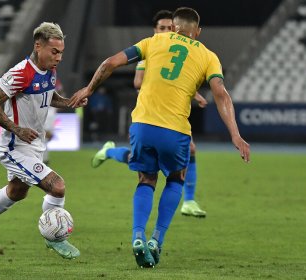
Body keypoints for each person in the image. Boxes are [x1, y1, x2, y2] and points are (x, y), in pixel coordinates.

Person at [69, 7, 250, 268]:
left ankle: (137, 236)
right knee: (176, 178)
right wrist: (235, 133)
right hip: (175, 129)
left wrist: (88, 88)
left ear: (174, 28)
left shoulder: (152, 41)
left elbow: (110, 62)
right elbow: (221, 94)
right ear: (197, 32)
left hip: (142, 125)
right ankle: (156, 239)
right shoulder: (209, 56)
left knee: (146, 179)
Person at [0, 22, 87, 259]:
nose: (59, 58)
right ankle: (55, 238)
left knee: (18, 190)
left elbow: (47, 94)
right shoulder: (19, 73)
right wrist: (16, 129)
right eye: (54, 52)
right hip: (14, 146)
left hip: (34, 145)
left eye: (61, 52)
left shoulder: (49, 71)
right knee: (57, 186)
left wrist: (67, 102)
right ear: (38, 46)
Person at [91, 10, 207, 218]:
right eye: (161, 28)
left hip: (170, 116)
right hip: (147, 114)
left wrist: (192, 92)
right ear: (155, 30)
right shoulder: (151, 49)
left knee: (190, 150)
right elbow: (138, 81)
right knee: (146, 167)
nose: (166, 31)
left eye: (169, 27)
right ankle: (109, 152)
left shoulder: (172, 51)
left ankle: (189, 200)